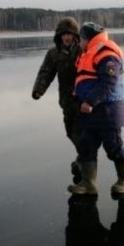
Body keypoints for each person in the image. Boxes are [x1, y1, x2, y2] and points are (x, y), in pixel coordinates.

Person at [68, 22, 124, 195]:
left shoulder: (106, 53)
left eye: (80, 40)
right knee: (86, 146)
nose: (79, 43)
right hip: (91, 113)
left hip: (108, 111)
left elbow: (109, 83)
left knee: (114, 146)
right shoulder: (89, 52)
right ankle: (88, 184)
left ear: (87, 39)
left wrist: (89, 101)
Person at [32, 16, 82, 149]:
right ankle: (83, 161)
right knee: (70, 133)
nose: (67, 37)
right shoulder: (53, 54)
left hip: (83, 101)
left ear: (75, 35)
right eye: (64, 34)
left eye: (69, 34)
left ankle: (84, 162)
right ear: (59, 36)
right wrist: (39, 90)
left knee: (81, 136)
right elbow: (46, 72)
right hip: (66, 101)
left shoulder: (83, 51)